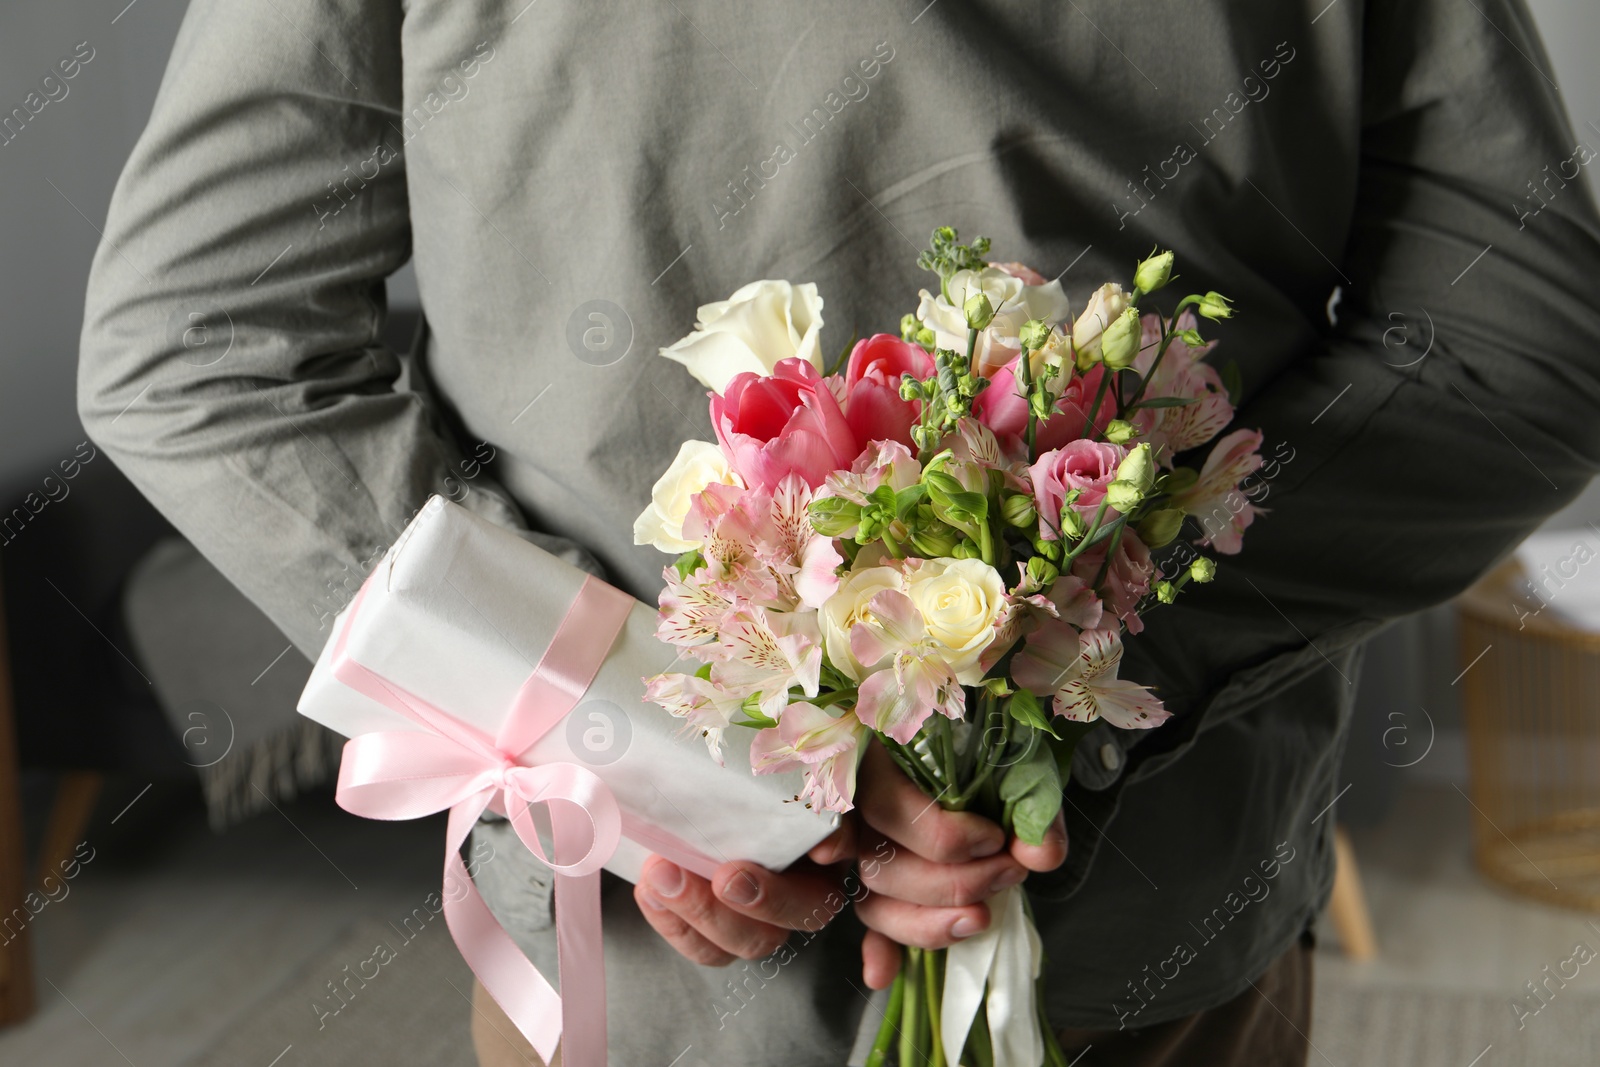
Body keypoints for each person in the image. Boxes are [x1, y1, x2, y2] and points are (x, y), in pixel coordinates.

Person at [78, 1, 1600, 1064]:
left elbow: (194, 342)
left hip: (649, 945)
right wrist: (1057, 687)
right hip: (1129, 907)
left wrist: (661, 742)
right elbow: (1517, 350)